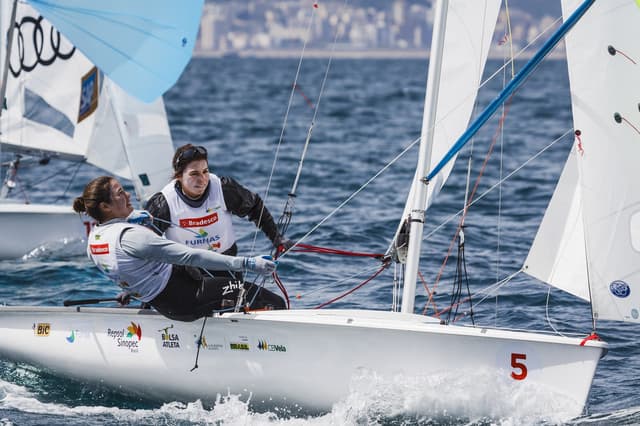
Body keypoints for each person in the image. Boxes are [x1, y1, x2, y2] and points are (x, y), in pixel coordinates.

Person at [73, 176, 286, 322]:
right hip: (189, 298)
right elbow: (190, 256)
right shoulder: (132, 237)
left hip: (165, 302)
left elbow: (128, 267)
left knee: (234, 294)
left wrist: (130, 290)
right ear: (105, 207)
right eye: (120, 193)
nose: (128, 195)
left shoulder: (95, 240)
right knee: (274, 301)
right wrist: (247, 263)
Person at [145, 144, 293, 276]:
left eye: (205, 171)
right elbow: (142, 245)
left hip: (225, 266)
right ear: (179, 176)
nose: (202, 179)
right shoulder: (163, 203)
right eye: (194, 174)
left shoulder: (223, 189)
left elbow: (255, 206)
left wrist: (276, 238)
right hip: (185, 273)